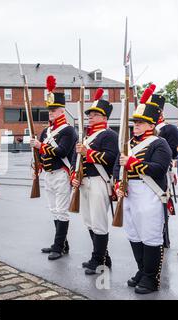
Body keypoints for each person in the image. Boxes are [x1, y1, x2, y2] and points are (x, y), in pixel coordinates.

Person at [114, 87, 172, 294]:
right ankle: (142, 270)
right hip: (129, 193)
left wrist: (131, 162)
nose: (135, 126)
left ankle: (151, 278)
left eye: (139, 123)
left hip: (150, 193)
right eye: (135, 123)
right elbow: (116, 166)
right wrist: (117, 185)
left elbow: (159, 168)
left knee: (150, 236)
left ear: (150, 124)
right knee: (134, 234)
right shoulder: (128, 143)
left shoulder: (160, 143)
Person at [30, 75, 78, 261]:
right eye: (49, 110)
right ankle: (61, 244)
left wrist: (40, 146)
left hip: (62, 174)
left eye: (54, 110)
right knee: (53, 209)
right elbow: (42, 154)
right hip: (48, 174)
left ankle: (59, 247)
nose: (50, 113)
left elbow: (62, 151)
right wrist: (37, 162)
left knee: (61, 210)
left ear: (62, 111)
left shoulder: (68, 130)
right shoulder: (45, 131)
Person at [72, 88, 119, 275]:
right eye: (89, 114)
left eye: (94, 114)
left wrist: (87, 153)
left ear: (104, 117)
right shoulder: (87, 136)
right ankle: (103, 257)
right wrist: (76, 177)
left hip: (100, 181)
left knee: (99, 222)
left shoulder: (109, 135)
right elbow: (80, 162)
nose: (90, 117)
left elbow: (110, 158)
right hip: (85, 181)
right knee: (89, 221)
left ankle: (99, 261)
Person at [153, 87, 178, 248]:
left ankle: (164, 236)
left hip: (163, 169)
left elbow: (174, 150)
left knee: (162, 201)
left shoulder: (168, 128)